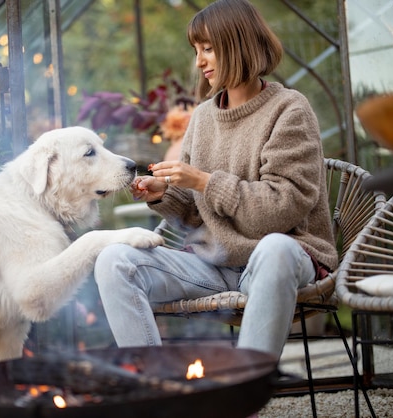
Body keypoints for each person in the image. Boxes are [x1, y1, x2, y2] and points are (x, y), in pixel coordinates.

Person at [94, 0, 337, 360]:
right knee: (113, 259)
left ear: (238, 44)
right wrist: (165, 194)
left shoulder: (289, 109)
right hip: (214, 265)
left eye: (208, 48)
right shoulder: (204, 117)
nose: (199, 61)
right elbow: (195, 213)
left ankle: (244, 394)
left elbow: (280, 211)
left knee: (276, 247)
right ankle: (157, 392)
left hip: (281, 258)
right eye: (196, 50)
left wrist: (205, 181)